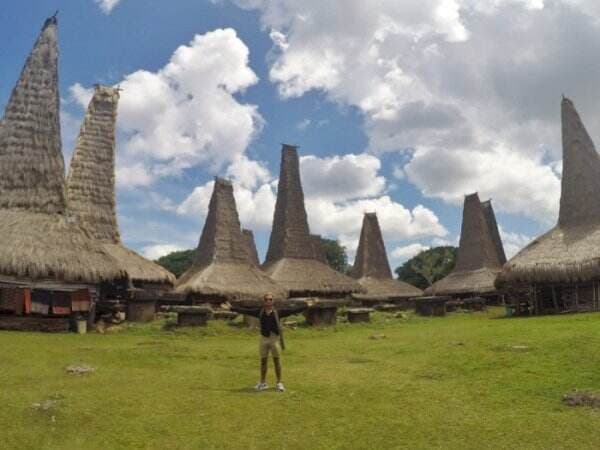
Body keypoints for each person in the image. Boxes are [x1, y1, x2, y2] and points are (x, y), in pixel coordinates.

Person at [225, 294, 308, 392]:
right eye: (266, 299)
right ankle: (263, 383)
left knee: (276, 361)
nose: (268, 301)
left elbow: (293, 311)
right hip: (263, 339)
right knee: (263, 361)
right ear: (264, 301)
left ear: (273, 301)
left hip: (274, 339)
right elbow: (246, 311)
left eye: (270, 299)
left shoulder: (278, 312)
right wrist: (231, 308)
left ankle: (279, 383)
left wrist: (307, 306)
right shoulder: (259, 312)